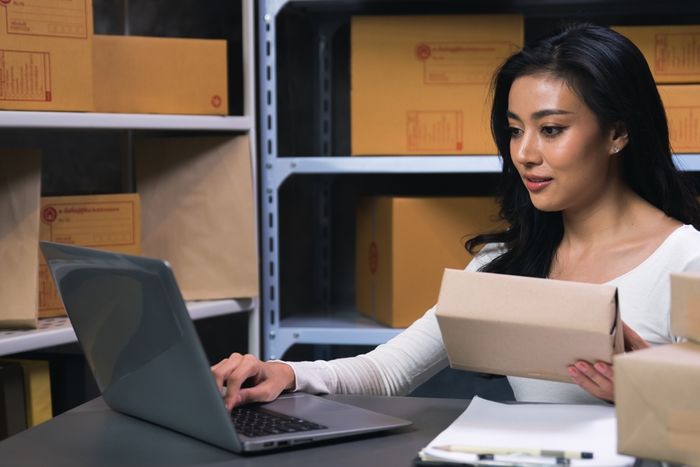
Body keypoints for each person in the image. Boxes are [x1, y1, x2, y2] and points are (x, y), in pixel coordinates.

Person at [212, 23, 700, 409]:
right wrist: (286, 373)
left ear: (617, 133)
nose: (524, 154)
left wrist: (649, 389)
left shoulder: (686, 260)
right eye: (513, 131)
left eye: (551, 129)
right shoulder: (508, 262)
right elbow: (389, 371)